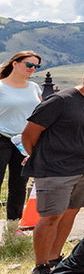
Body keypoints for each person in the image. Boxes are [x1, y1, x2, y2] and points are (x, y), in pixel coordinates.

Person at [22, 64, 84, 274]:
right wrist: (40, 157)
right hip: (55, 170)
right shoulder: (60, 100)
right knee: (51, 217)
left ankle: (55, 260)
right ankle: (40, 267)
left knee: (69, 215)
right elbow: (30, 133)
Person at [1, 50, 42, 234]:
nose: (32, 69)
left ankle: (13, 228)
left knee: (19, 185)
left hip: (24, 141)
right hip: (1, 138)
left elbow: (39, 114)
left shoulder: (34, 87)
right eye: (29, 65)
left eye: (36, 66)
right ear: (15, 64)